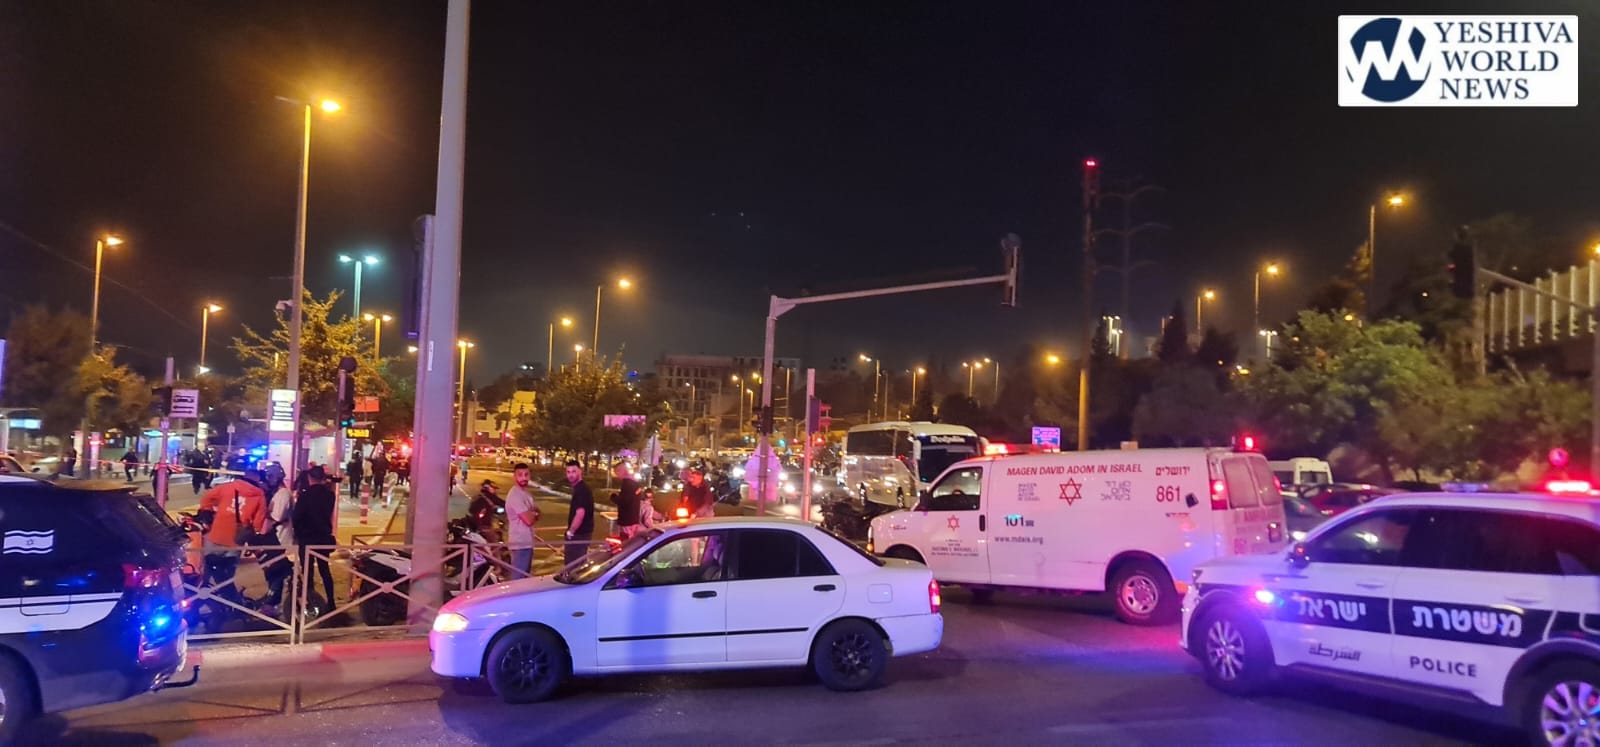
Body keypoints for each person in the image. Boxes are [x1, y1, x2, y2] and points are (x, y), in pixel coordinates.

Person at [196, 469, 269, 603]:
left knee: (208, 569)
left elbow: (207, 498)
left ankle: (206, 597)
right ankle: (228, 601)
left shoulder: (228, 487)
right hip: (236, 539)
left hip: (216, 534)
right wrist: (253, 535)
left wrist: (208, 512)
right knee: (228, 575)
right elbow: (259, 521)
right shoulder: (259, 495)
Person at [291, 465, 338, 609]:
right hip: (323, 536)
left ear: (309, 478)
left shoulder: (305, 496)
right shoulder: (330, 495)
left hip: (307, 537)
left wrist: (297, 532)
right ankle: (331, 601)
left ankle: (311, 601)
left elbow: (296, 517)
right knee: (325, 570)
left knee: (307, 571)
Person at [258, 465, 296, 616]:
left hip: (280, 537)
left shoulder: (283, 494)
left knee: (277, 570)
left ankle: (273, 603)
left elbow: (277, 517)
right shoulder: (279, 494)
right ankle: (272, 600)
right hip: (275, 537)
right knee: (272, 570)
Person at [504, 465, 540, 578]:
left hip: (527, 542)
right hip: (520, 543)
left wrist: (533, 514)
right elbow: (528, 520)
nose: (524, 478)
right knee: (519, 579)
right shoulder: (515, 495)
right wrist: (533, 514)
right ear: (514, 477)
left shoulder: (526, 494)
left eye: (526, 474)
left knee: (525, 579)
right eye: (520, 475)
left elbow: (538, 513)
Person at [564, 460, 595, 566]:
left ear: (580, 471)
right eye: (568, 472)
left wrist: (570, 532)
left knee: (573, 567)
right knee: (578, 565)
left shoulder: (582, 490)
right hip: (583, 534)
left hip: (579, 535)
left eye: (574, 471)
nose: (571, 475)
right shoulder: (580, 489)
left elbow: (580, 513)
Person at [611, 461, 645, 540]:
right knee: (632, 540)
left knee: (626, 542)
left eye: (616, 472)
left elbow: (624, 501)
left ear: (621, 471)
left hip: (626, 520)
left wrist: (613, 497)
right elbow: (636, 497)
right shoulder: (635, 483)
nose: (616, 475)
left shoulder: (626, 484)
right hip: (634, 519)